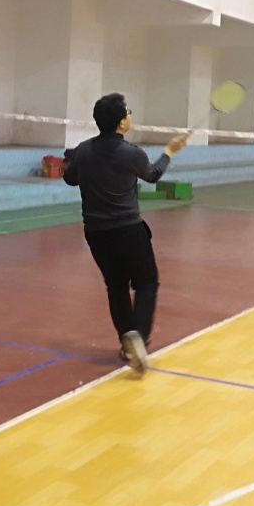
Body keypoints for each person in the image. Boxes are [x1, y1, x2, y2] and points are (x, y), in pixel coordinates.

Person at [62, 93, 188, 377]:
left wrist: (71, 161)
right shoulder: (132, 153)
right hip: (128, 230)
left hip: (96, 233)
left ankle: (126, 341)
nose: (131, 115)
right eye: (128, 112)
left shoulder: (84, 150)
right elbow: (152, 175)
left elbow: (70, 178)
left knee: (116, 286)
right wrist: (169, 151)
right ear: (121, 123)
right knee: (146, 282)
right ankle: (139, 337)